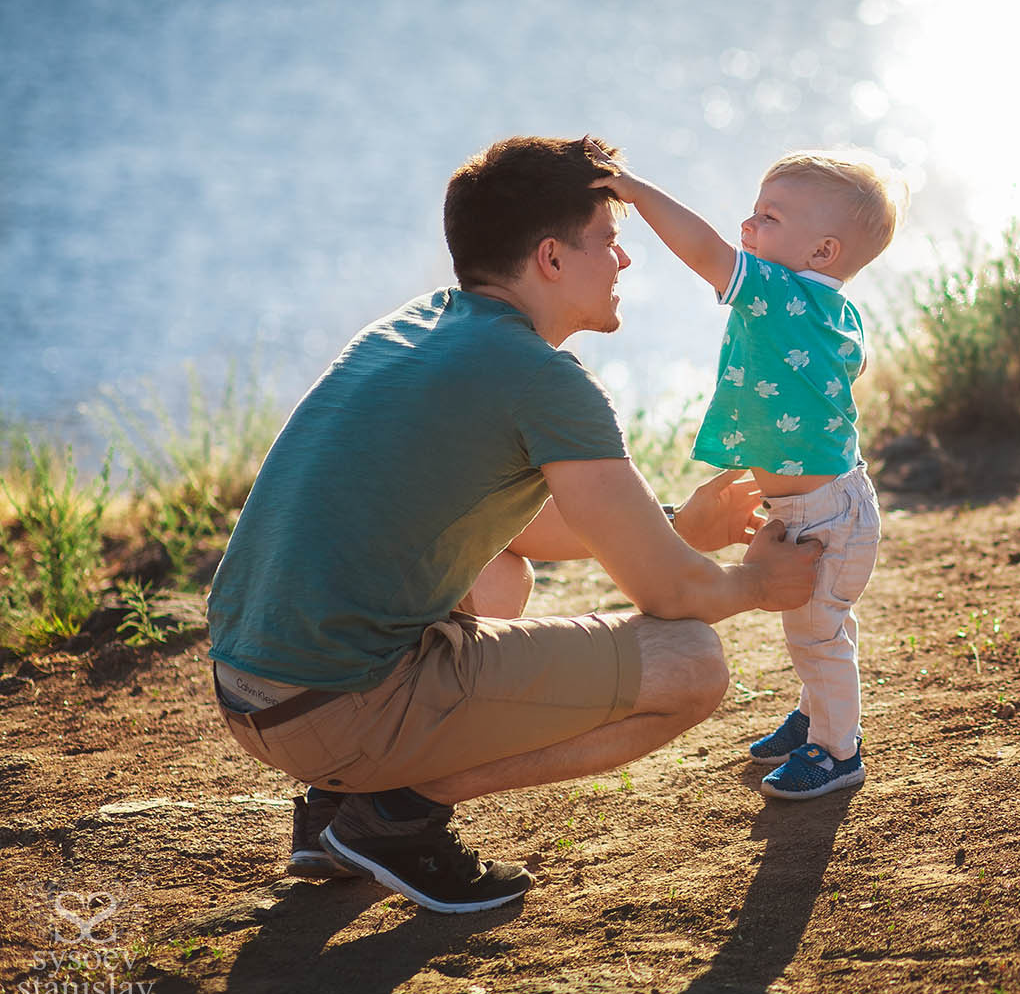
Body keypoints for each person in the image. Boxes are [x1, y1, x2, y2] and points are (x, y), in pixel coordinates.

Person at [206, 135, 821, 915]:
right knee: (692, 660)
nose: (625, 262)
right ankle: (396, 812)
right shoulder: (540, 378)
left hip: (252, 687)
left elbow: (529, 529)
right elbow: (668, 591)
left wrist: (680, 524)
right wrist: (758, 583)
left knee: (502, 575)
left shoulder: (420, 328)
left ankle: (333, 800)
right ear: (551, 259)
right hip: (333, 706)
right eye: (609, 241)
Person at [592, 146, 905, 800]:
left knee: (817, 631)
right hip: (827, 503)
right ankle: (818, 712)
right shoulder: (833, 308)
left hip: (826, 511)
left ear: (822, 251)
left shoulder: (776, 294)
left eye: (768, 216)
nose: (747, 226)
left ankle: (836, 750)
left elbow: (703, 250)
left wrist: (637, 191)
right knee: (818, 625)